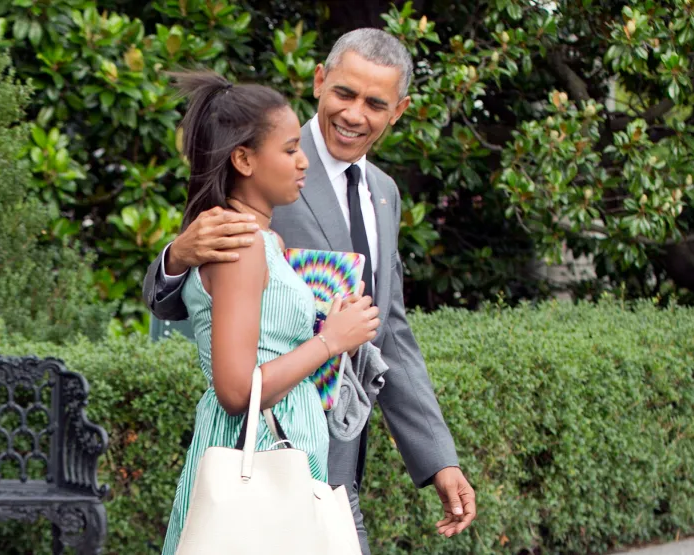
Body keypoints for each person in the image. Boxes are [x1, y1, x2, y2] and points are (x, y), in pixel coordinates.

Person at [144, 29, 477, 553]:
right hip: (267, 449)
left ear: (399, 110)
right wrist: (175, 257)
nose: (354, 114)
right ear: (320, 80)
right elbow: (191, 298)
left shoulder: (384, 194)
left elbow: (388, 333)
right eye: (345, 93)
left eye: (375, 103)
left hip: (334, 449)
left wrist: (439, 459)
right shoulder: (263, 166)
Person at [157, 72, 381, 554]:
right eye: (289, 150)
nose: (303, 162)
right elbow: (237, 389)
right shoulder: (241, 245)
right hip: (256, 452)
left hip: (281, 450)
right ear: (243, 159)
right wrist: (330, 341)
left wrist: (328, 324)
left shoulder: (268, 242)